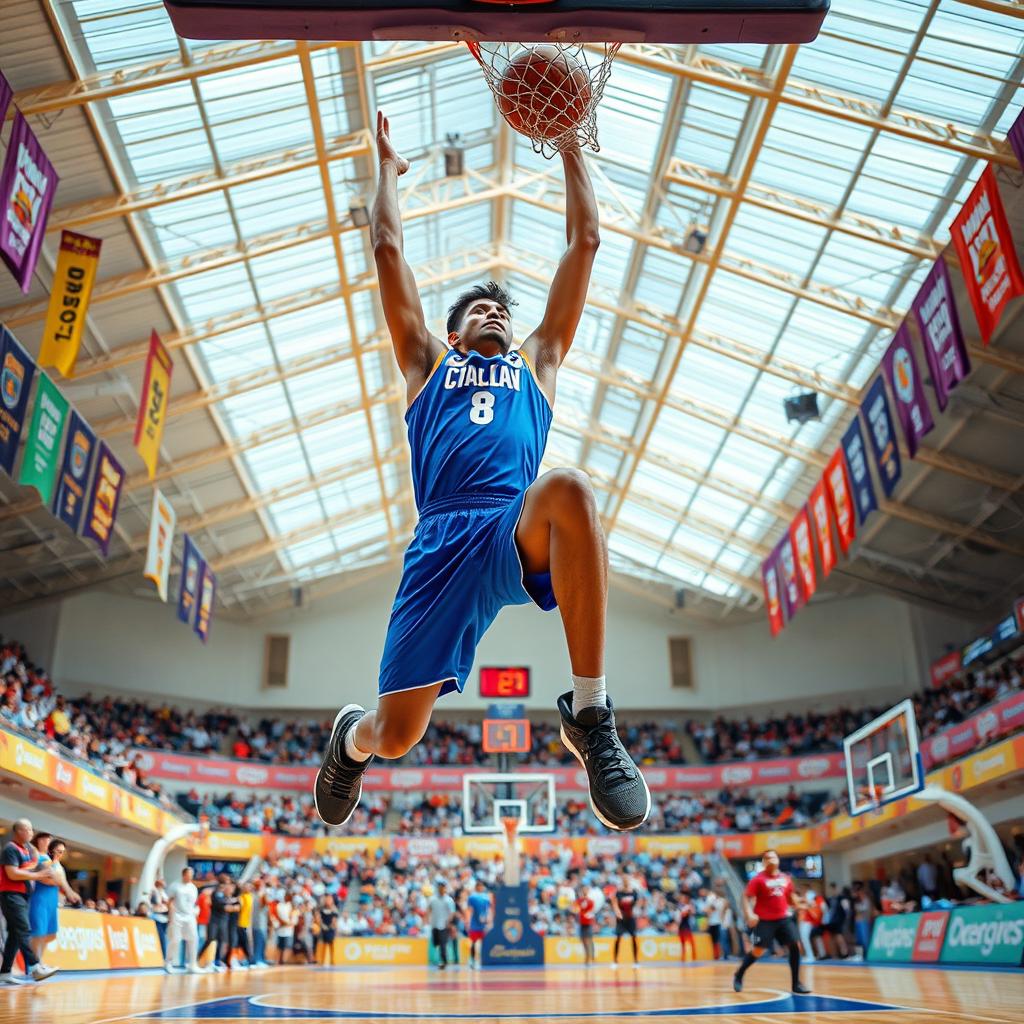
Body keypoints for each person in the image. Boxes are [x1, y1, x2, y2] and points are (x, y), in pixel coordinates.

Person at [313, 111, 651, 836]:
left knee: (572, 490)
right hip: (440, 543)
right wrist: (387, 173)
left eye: (501, 306)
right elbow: (386, 245)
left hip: (510, 524)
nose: (493, 310)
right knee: (398, 735)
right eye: (478, 308)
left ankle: (590, 716)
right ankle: (350, 740)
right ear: (454, 328)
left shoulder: (538, 367)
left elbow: (585, 241)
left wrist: (566, 144)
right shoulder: (426, 364)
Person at [733, 849, 810, 995]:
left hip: (784, 919)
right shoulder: (758, 879)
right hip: (765, 921)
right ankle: (739, 973)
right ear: (763, 863)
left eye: (773, 857)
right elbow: (745, 897)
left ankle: (796, 984)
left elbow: (790, 899)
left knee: (795, 946)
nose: (771, 859)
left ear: (778, 860)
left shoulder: (786, 878)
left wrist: (801, 904)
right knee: (758, 951)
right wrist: (749, 914)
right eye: (767, 858)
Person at [0, 819, 58, 984]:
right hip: (11, 895)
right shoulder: (10, 849)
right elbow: (12, 874)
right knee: (24, 930)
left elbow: (30, 866)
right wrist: (38, 876)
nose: (32, 833)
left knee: (15, 935)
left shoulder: (25, 850)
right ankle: (35, 967)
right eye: (30, 830)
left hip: (22, 896)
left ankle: (4, 973)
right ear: (20, 831)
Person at [29, 835, 80, 966]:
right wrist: (64, 887)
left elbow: (61, 881)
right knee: (39, 933)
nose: (60, 853)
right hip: (40, 899)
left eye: (62, 851)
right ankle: (35, 964)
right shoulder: (40, 858)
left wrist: (69, 892)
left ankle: (36, 960)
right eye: (58, 850)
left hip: (52, 901)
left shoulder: (58, 865)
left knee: (50, 934)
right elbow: (48, 879)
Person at [166, 866, 202, 974]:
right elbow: (170, 902)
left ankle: (192, 964)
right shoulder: (175, 886)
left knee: (194, 939)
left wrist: (195, 911)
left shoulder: (193, 888)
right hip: (177, 916)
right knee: (175, 939)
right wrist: (171, 917)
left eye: (192, 875)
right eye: (188, 874)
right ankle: (168, 962)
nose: (190, 876)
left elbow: (194, 903)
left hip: (190, 916)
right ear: (183, 875)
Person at [611, 877, 641, 968]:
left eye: (627, 881)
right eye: (624, 881)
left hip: (631, 918)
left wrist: (636, 910)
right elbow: (614, 903)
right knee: (618, 938)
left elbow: (638, 902)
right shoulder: (619, 893)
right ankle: (615, 961)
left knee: (634, 938)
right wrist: (617, 912)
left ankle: (636, 961)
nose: (625, 883)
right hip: (621, 919)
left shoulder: (633, 892)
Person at [429, 881, 457, 971]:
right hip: (434, 925)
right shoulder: (433, 899)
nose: (442, 889)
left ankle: (443, 961)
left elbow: (452, 913)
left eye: (443, 887)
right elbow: (429, 909)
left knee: (443, 944)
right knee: (435, 943)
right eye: (440, 887)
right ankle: (438, 960)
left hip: (444, 925)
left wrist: (449, 922)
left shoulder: (448, 900)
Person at [465, 880, 491, 970]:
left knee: (484, 942)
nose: (480, 888)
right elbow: (469, 909)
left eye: (481, 886)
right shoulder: (472, 897)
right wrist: (468, 921)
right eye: (479, 886)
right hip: (474, 923)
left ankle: (483, 959)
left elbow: (488, 910)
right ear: (476, 887)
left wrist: (488, 919)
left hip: (483, 924)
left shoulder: (486, 897)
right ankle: (472, 959)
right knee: (473, 942)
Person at [575, 884, 597, 967]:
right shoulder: (578, 901)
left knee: (589, 941)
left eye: (586, 890)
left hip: (588, 924)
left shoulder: (590, 901)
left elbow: (591, 912)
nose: (584, 891)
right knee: (584, 941)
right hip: (581, 924)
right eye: (583, 890)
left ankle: (592, 958)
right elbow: (576, 909)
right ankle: (587, 957)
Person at [149, 877, 170, 958]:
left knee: (164, 937)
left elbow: (167, 903)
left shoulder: (164, 892)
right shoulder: (154, 892)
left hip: (164, 917)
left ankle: (164, 955)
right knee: (160, 937)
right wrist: (163, 902)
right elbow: (156, 902)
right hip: (157, 917)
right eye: (162, 882)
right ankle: (163, 955)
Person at [318, 893, 338, 966]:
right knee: (323, 945)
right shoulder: (322, 909)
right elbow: (319, 918)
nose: (328, 900)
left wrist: (331, 926)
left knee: (332, 945)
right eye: (327, 899)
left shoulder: (334, 909)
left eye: (330, 899)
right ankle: (321, 961)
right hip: (323, 929)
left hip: (331, 929)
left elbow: (334, 919)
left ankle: (333, 961)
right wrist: (322, 925)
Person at [676, 891, 696, 963]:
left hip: (686, 926)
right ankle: (683, 957)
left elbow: (692, 913)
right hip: (681, 926)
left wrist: (688, 911)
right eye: (681, 898)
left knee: (690, 942)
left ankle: (694, 957)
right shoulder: (679, 906)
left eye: (684, 898)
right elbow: (679, 917)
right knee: (682, 943)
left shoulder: (688, 906)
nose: (682, 899)